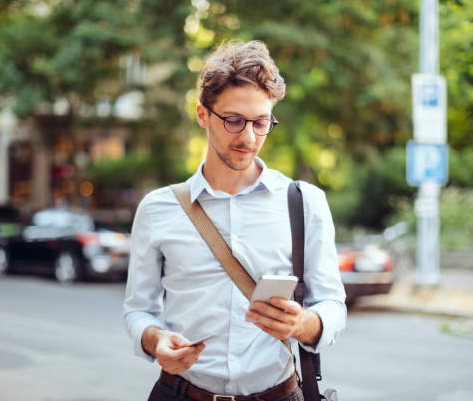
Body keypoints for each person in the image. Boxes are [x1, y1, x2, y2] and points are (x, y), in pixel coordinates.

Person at [123, 40, 346, 401]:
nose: (248, 137)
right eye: (233, 120)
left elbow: (333, 305)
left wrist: (304, 324)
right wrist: (156, 340)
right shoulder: (157, 208)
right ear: (202, 116)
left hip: (278, 393)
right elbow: (138, 310)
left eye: (260, 122)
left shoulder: (305, 202)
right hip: (181, 394)